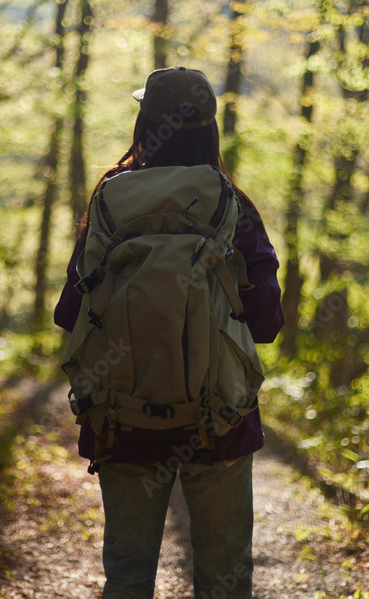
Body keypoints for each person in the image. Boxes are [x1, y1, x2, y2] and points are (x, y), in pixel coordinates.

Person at [54, 66, 284, 599]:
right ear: (209, 129)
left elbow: (71, 313)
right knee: (224, 576)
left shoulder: (109, 201)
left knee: (129, 578)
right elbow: (268, 323)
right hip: (219, 417)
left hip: (122, 414)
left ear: (144, 124)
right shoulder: (232, 206)